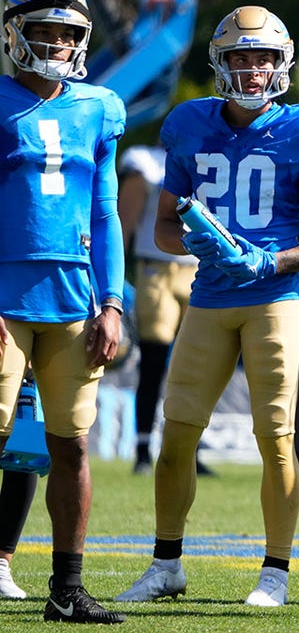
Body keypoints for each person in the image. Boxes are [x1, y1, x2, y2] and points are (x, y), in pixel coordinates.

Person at [115, 5, 299, 608]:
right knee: (177, 434)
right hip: (208, 297)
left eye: (264, 57)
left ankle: (276, 571)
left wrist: (271, 261)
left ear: (282, 64)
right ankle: (166, 564)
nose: (252, 69)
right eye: (241, 56)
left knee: (277, 436)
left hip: (271, 299)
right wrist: (198, 242)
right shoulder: (189, 124)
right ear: (220, 62)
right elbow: (162, 227)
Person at [0, 0, 127, 623]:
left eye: (68, 33)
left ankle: (65, 588)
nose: (55, 43)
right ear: (14, 32)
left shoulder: (99, 106)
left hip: (72, 296)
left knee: (70, 444)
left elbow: (104, 212)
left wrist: (112, 302)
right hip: (4, 291)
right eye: (44, 31)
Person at [115, 142, 207, 476]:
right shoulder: (147, 163)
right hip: (156, 270)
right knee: (153, 362)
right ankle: (142, 449)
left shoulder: (208, 158)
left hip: (198, 268)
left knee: (197, 366)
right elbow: (124, 223)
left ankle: (192, 451)